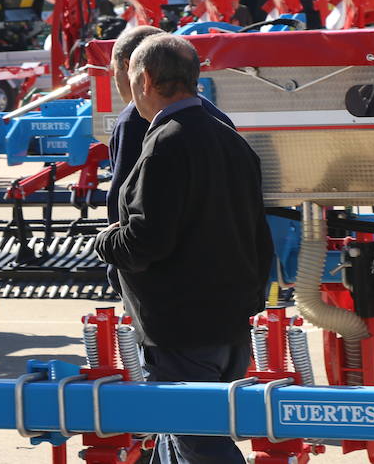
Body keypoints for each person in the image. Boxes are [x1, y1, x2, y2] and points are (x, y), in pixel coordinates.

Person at [95, 33, 272, 464]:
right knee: (181, 437)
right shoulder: (230, 138)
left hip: (183, 330)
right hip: (229, 324)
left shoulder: (164, 144)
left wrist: (104, 242)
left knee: (199, 440)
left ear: (146, 79)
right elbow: (257, 233)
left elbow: (145, 240)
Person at [104, 25, 235, 292]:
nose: (115, 81)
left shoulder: (137, 122)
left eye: (114, 71)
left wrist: (112, 257)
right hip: (227, 283)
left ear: (134, 69)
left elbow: (127, 207)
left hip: (170, 293)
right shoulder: (220, 123)